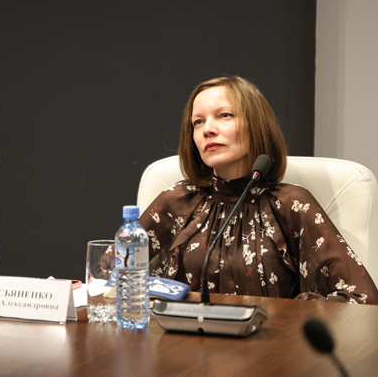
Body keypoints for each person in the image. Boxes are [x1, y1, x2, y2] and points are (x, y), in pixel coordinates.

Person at [141, 76, 377, 304]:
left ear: (256, 125)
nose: (207, 129)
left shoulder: (292, 203)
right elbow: (119, 275)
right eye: (198, 122)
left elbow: (363, 298)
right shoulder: (178, 200)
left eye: (224, 115)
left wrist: (294, 313)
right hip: (183, 330)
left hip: (270, 332)